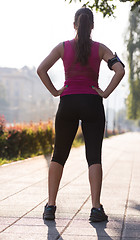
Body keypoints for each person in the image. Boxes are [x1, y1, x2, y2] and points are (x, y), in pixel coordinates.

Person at [37, 7, 125, 222]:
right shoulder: (100, 48)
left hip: (68, 102)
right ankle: (95, 209)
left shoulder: (63, 47)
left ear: (74, 25)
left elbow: (41, 69)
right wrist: (104, 93)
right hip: (92, 103)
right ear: (92, 26)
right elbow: (120, 70)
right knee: (93, 156)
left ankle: (50, 206)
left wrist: (55, 91)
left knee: (58, 155)